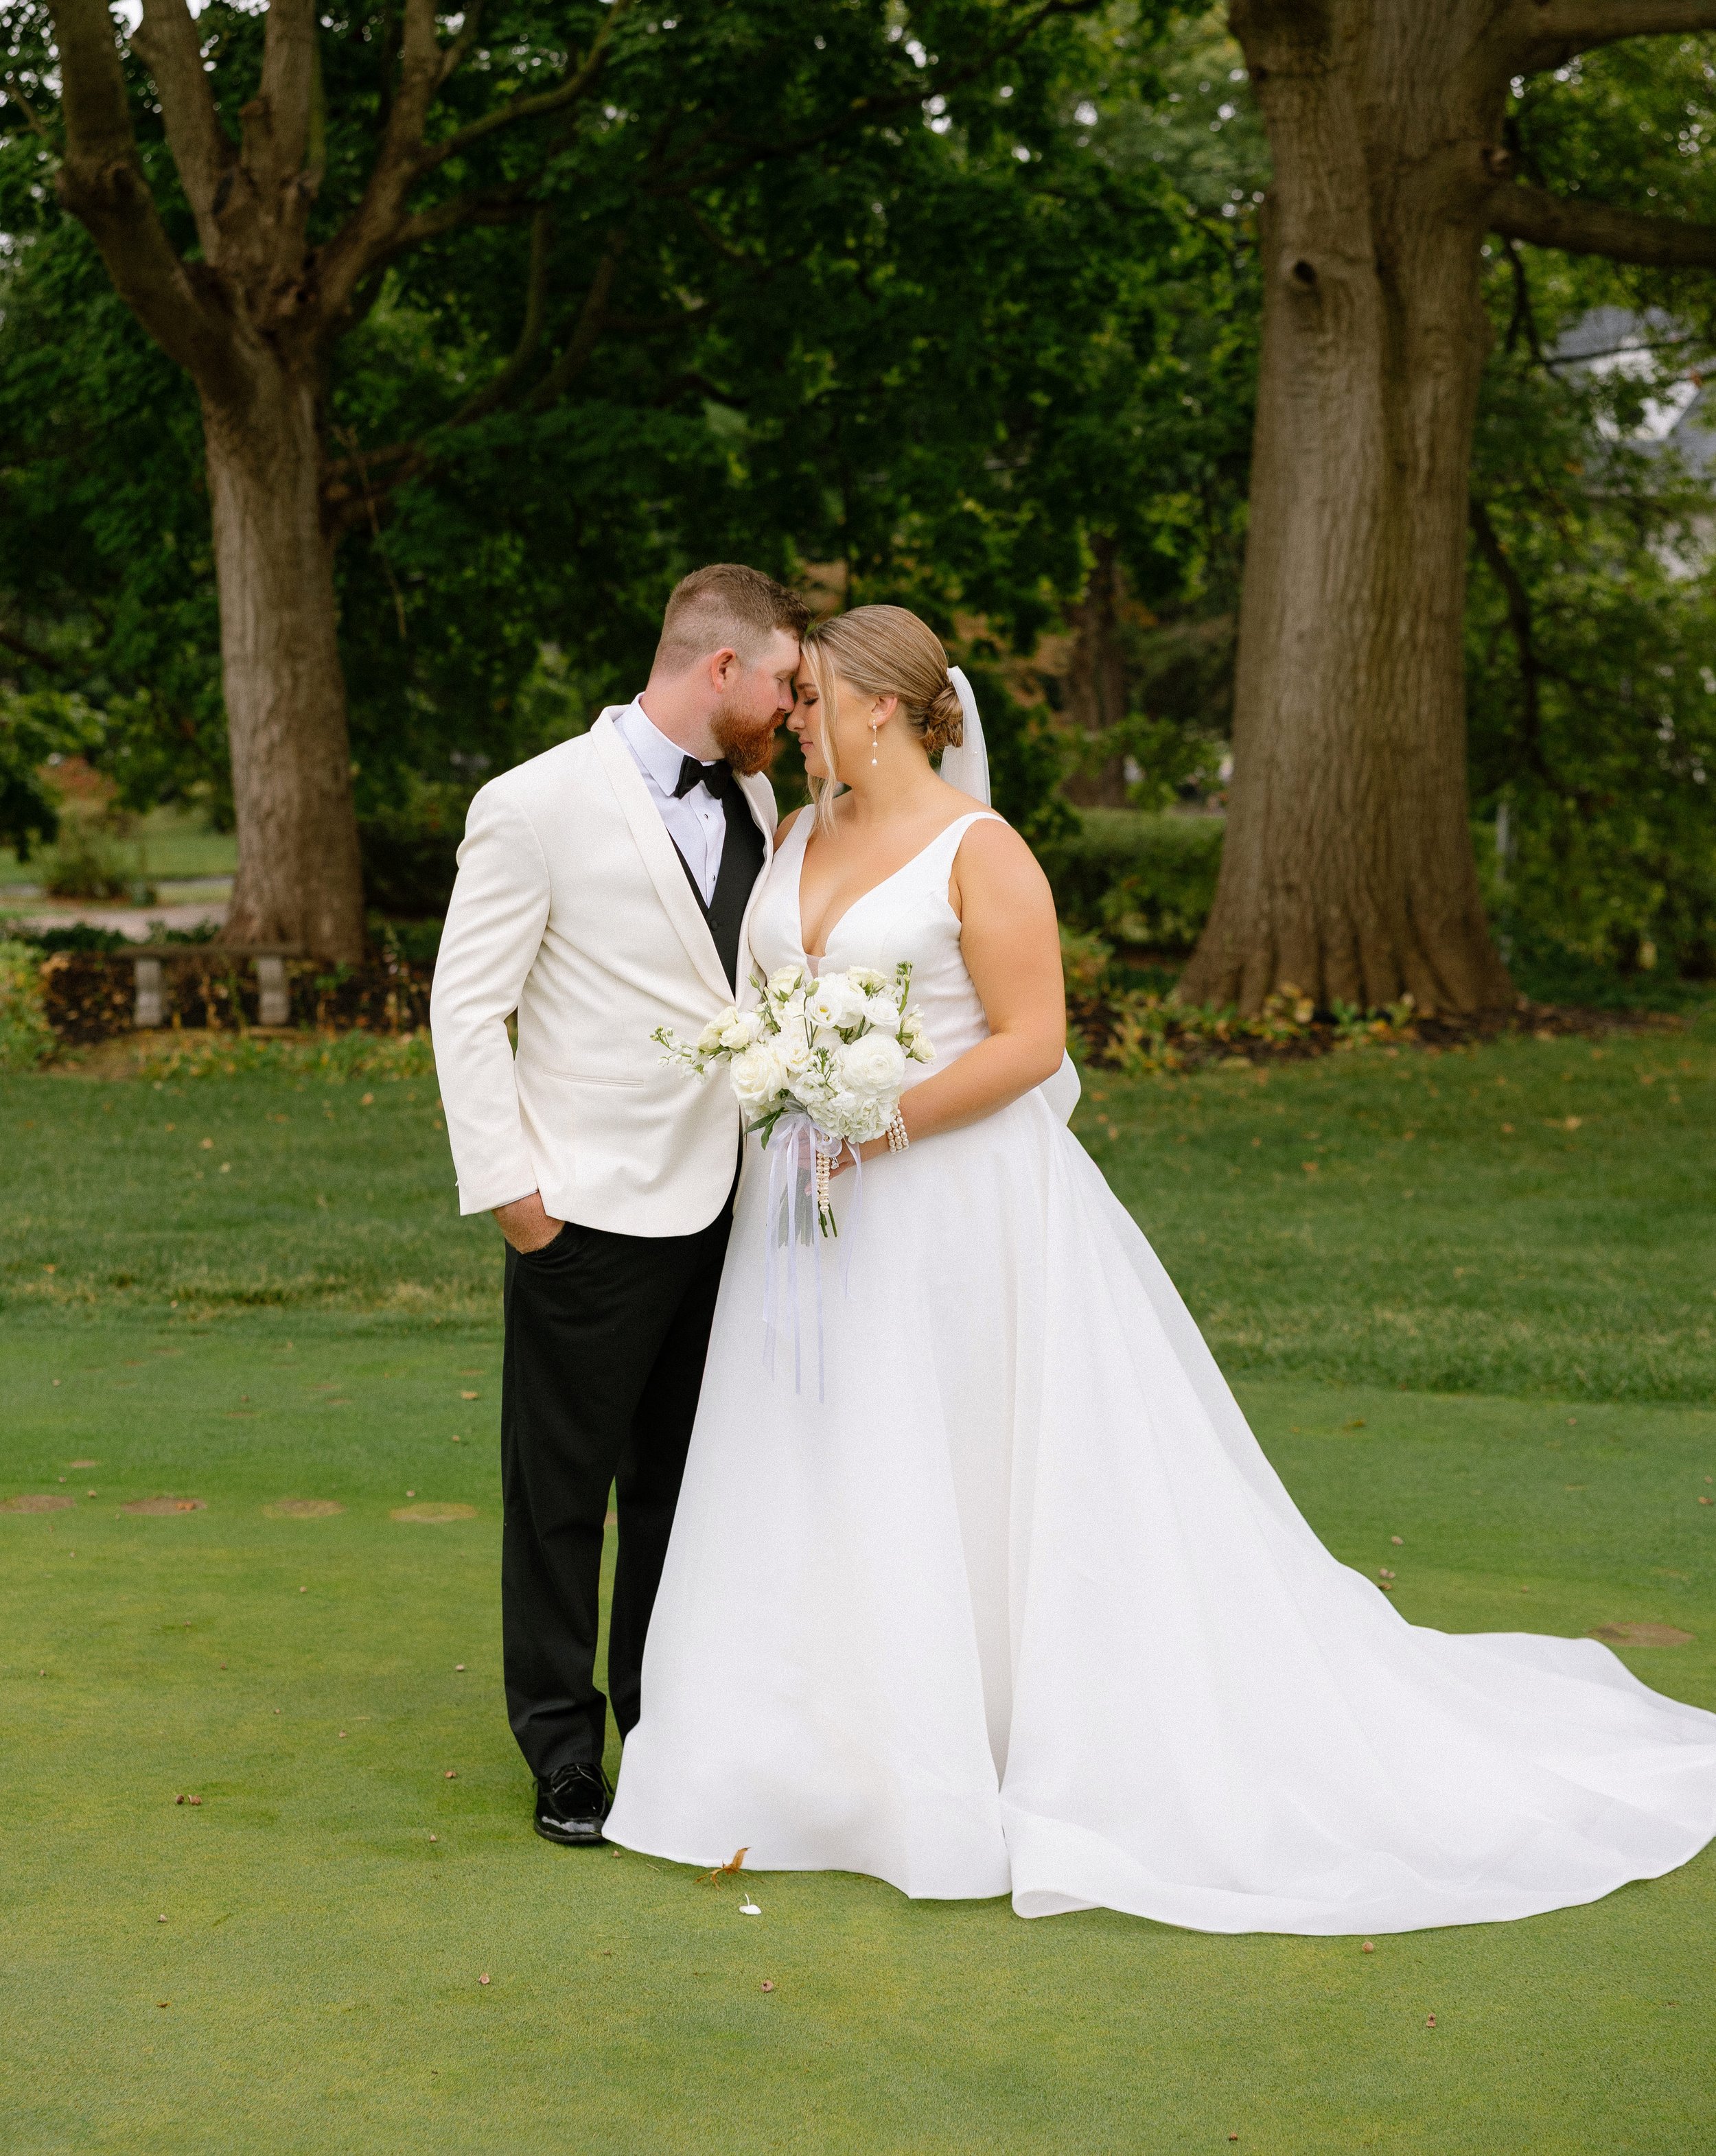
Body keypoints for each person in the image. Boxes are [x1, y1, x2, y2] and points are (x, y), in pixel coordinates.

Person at [605, 605, 1716, 1932]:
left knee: (958, 1458)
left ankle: (985, 1745)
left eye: (818, 694)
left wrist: (881, 1118)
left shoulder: (984, 850)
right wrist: (790, 1087)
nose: (796, 713)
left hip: (953, 1211)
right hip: (808, 1221)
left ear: (885, 707)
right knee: (823, 1454)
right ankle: (809, 1761)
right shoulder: (794, 831)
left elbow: (1031, 1040)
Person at [430, 564, 807, 1846]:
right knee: (558, 1493)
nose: (792, 708)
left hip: (730, 1208)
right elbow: (465, 1007)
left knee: (677, 1488)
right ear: (721, 670)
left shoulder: (760, 796)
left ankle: (657, 1723)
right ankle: (558, 1743)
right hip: (585, 1214)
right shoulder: (531, 803)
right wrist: (518, 1200)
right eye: (783, 682)